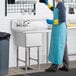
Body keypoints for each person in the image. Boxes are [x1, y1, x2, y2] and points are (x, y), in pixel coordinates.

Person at [40, 0, 69, 72]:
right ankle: (66, 65)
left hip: (60, 29)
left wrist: (52, 21)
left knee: (58, 47)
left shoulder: (61, 5)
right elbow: (54, 10)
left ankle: (54, 67)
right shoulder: (59, 4)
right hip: (59, 28)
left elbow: (62, 19)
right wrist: (47, 4)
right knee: (63, 47)